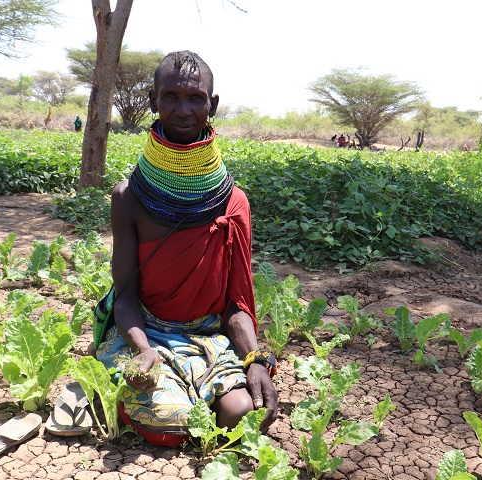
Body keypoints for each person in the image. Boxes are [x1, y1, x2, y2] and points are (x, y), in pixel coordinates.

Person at [97, 50, 278, 447]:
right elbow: (124, 296)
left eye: (195, 98)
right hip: (149, 331)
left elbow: (236, 303)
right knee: (172, 425)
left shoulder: (233, 203)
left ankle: (206, 388)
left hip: (210, 336)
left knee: (243, 415)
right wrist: (141, 350)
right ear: (152, 100)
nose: (183, 109)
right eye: (171, 96)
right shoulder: (128, 197)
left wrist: (254, 359)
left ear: (212, 105)